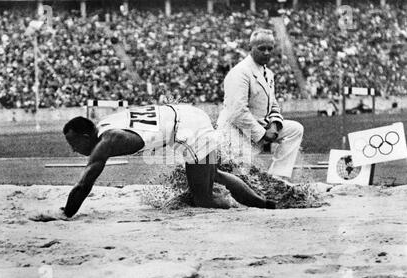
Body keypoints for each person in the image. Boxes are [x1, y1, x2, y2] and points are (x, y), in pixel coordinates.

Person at [31, 104, 276, 222]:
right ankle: (264, 204)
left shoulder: (107, 141)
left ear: (87, 136)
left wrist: (65, 212)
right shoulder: (106, 123)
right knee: (215, 175)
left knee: (202, 198)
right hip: (189, 114)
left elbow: (85, 183)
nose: (74, 150)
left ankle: (231, 206)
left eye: (74, 144)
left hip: (189, 130)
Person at [217, 29, 304, 180]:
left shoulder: (268, 73)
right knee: (240, 180)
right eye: (261, 48)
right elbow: (237, 112)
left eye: (270, 49)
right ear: (250, 48)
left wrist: (275, 124)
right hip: (235, 132)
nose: (266, 52)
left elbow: (273, 103)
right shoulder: (240, 72)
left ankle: (278, 177)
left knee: (295, 129)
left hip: (260, 126)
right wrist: (263, 134)